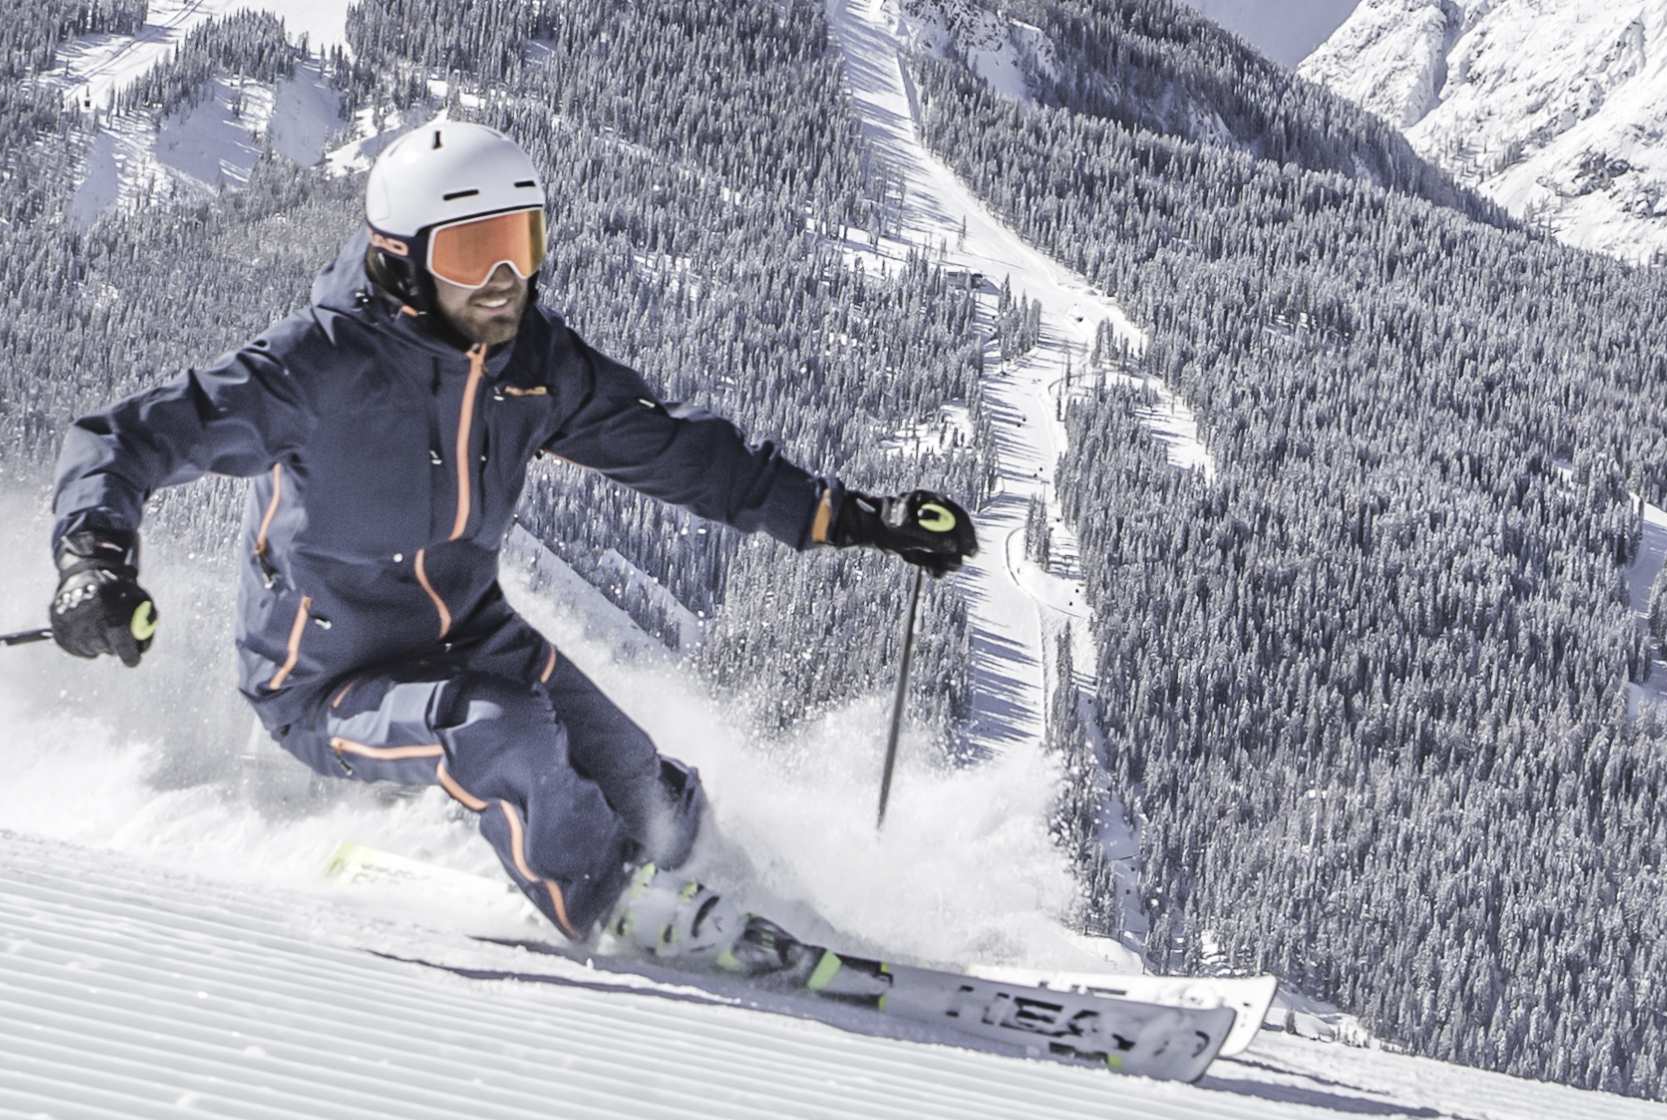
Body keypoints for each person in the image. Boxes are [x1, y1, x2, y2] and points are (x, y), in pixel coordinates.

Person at [49, 121, 977, 951]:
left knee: (640, 782)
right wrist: (93, 559)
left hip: (471, 635)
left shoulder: (530, 363)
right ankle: (620, 912)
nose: (505, 281)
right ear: (401, 261)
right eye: (473, 253)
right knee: (501, 733)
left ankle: (741, 900)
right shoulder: (315, 369)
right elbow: (125, 440)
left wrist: (853, 515)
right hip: (326, 681)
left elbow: (681, 452)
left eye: (519, 244)